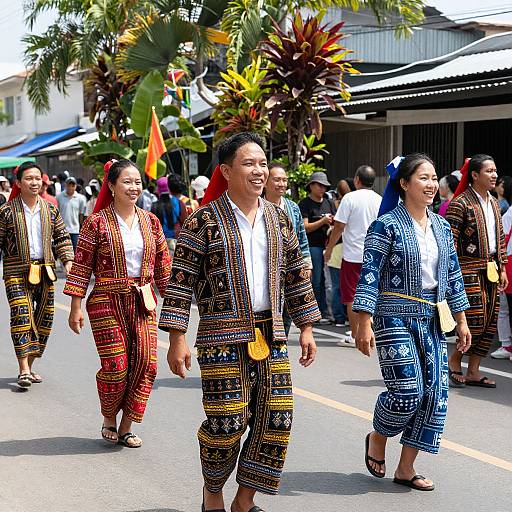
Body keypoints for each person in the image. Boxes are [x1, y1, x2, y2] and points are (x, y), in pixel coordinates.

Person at [159, 132, 320, 512]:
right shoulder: (202, 222)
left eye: (263, 163)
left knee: (276, 421)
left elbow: (296, 273)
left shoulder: (280, 218)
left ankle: (243, 501)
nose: (260, 171)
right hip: (219, 336)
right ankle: (212, 492)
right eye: (249, 164)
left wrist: (308, 326)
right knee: (227, 421)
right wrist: (177, 339)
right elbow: (180, 281)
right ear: (227, 171)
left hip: (273, 334)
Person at [353, 153, 471, 491]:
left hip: (432, 318)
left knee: (434, 396)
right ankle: (378, 435)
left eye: (434, 178)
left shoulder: (442, 227)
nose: (432, 184)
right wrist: (362, 321)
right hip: (392, 317)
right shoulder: (386, 225)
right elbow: (370, 274)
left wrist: (461, 321)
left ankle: (406, 468)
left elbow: (453, 276)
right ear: (404, 184)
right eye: (423, 177)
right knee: (407, 392)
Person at [64, 159, 171, 447]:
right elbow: (82, 266)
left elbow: (163, 268)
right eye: (127, 181)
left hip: (143, 301)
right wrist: (75, 306)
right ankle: (109, 415)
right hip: (105, 300)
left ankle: (126, 426)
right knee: (116, 365)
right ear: (111, 186)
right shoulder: (96, 222)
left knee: (146, 364)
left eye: (137, 181)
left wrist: (177, 307)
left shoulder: (151, 222)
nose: (134, 187)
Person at [0, 162, 73, 388]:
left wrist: (68, 261)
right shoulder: (6, 212)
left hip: (46, 271)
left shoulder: (50, 209)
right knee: (22, 316)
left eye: (37, 178)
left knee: (44, 321)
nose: (34, 182)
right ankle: (23, 370)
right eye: (29, 178)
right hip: (15, 273)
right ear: (19, 183)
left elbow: (61, 237)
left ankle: (30, 367)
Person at [446, 154, 508, 388]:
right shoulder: (460, 203)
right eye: (489, 171)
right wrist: (452, 273)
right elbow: (449, 241)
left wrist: (502, 266)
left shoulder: (493, 202)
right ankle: (454, 361)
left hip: (492, 269)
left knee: (490, 321)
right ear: (474, 175)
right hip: (468, 270)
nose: (494, 175)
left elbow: (499, 238)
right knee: (474, 321)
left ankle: (473, 371)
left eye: (495, 171)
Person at [325, 165, 381, 344]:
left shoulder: (349, 198)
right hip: (374, 256)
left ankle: (357, 334)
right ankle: (369, 331)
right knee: (372, 293)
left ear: (357, 180)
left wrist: (330, 249)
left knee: (351, 296)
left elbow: (339, 227)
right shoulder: (380, 200)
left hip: (352, 256)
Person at [264, 162, 313, 334]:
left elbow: (302, 238)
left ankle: (280, 350)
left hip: (290, 271)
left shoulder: (293, 208)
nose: (282, 184)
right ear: (265, 181)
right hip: (266, 271)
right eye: (277, 180)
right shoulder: (256, 206)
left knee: (287, 316)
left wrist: (307, 264)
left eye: (284, 180)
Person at [299, 171, 336, 323]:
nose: (322, 189)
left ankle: (326, 312)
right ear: (311, 186)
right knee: (316, 280)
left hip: (328, 245)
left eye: (325, 186)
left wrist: (331, 222)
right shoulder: (305, 204)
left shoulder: (329, 202)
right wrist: (322, 222)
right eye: (319, 185)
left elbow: (336, 221)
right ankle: (315, 312)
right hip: (313, 246)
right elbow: (305, 227)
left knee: (328, 282)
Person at [492, 203, 512, 360]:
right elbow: (502, 237)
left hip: (508, 262)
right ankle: (506, 345)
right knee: (504, 306)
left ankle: (507, 345)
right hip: (508, 263)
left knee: (504, 307)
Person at [151, 176, 186, 256]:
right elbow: (185, 223)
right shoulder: (178, 203)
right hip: (175, 242)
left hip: (159, 244)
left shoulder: (154, 205)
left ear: (158, 189)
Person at [57, 176, 87, 251]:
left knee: (75, 252)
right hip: (62, 230)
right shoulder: (59, 197)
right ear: (65, 185)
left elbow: (81, 214)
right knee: (63, 251)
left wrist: (81, 227)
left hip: (75, 230)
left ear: (75, 186)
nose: (70, 187)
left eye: (72, 185)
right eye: (68, 185)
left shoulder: (81, 198)